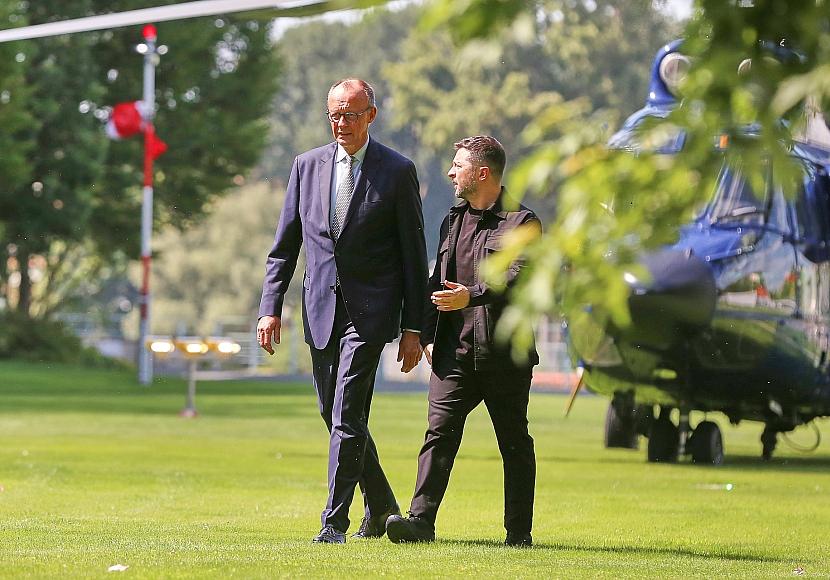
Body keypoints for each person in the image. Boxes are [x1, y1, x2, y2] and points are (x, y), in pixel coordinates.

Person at [256, 78, 428, 544]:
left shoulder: (397, 171)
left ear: (371, 115)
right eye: (334, 115)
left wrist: (415, 327)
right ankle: (382, 505)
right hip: (319, 311)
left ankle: (334, 523)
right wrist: (270, 308)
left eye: (351, 114)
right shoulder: (305, 166)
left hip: (371, 314)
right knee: (332, 412)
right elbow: (284, 247)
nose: (341, 123)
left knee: (347, 413)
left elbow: (414, 256)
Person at [385, 135, 541, 547]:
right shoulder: (452, 220)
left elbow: (516, 279)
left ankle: (518, 534)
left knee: (513, 442)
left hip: (504, 355)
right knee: (438, 434)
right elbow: (436, 283)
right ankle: (420, 523)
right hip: (453, 354)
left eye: (459, 166)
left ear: (483, 173)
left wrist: (470, 295)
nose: (451, 172)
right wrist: (423, 334)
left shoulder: (523, 223)